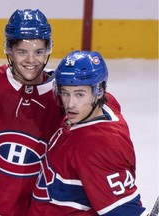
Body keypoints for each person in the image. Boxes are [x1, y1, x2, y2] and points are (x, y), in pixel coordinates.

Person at [28, 50, 148, 215]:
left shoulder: (96, 147)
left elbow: (123, 211)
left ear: (99, 91)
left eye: (79, 94)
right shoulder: (104, 105)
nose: (70, 104)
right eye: (65, 93)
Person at [0, 9, 63, 216]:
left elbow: (100, 110)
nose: (31, 60)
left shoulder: (64, 93)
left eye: (39, 52)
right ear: (9, 51)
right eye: (22, 51)